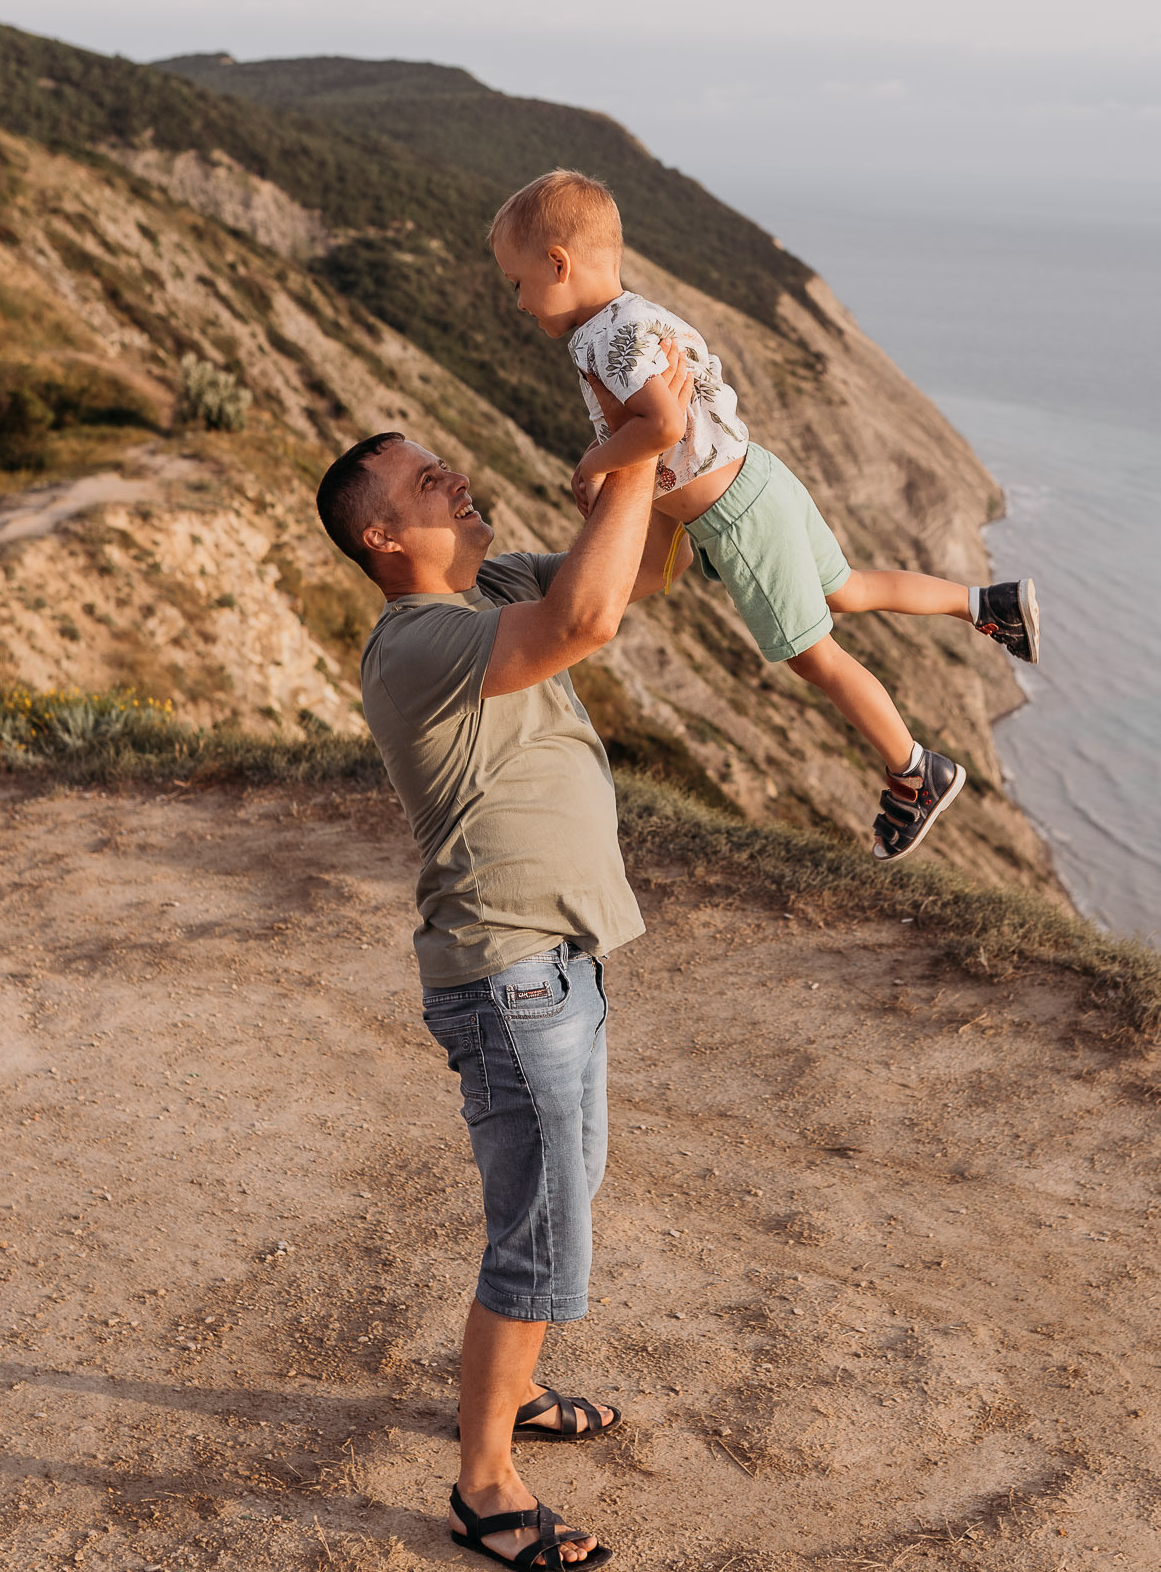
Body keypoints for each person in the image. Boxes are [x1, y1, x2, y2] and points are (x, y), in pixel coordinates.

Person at [315, 347, 694, 1568]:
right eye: (431, 479)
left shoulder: (493, 589)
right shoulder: (413, 644)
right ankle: (483, 1483)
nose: (458, 477)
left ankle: (511, 1391)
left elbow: (640, 574)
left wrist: (647, 449)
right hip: (508, 971)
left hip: (562, 962)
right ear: (385, 539)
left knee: (561, 1196)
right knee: (538, 1232)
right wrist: (630, 446)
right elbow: (583, 621)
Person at [489, 168, 1041, 865]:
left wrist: (590, 464)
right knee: (842, 589)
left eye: (516, 282)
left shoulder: (606, 338)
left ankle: (913, 770)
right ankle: (983, 605)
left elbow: (659, 426)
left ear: (557, 264)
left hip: (732, 518)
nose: (517, 302)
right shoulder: (640, 314)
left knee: (814, 655)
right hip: (755, 480)